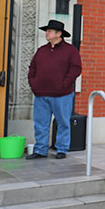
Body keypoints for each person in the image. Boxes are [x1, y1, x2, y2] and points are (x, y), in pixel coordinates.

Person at [26, 19, 82, 159]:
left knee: (63, 123)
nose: (47, 33)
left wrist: (64, 84)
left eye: (49, 31)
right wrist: (34, 84)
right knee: (40, 124)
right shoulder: (41, 50)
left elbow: (76, 69)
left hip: (62, 94)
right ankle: (40, 150)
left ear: (59, 34)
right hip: (41, 94)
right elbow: (32, 69)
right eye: (47, 30)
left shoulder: (71, 50)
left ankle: (61, 149)